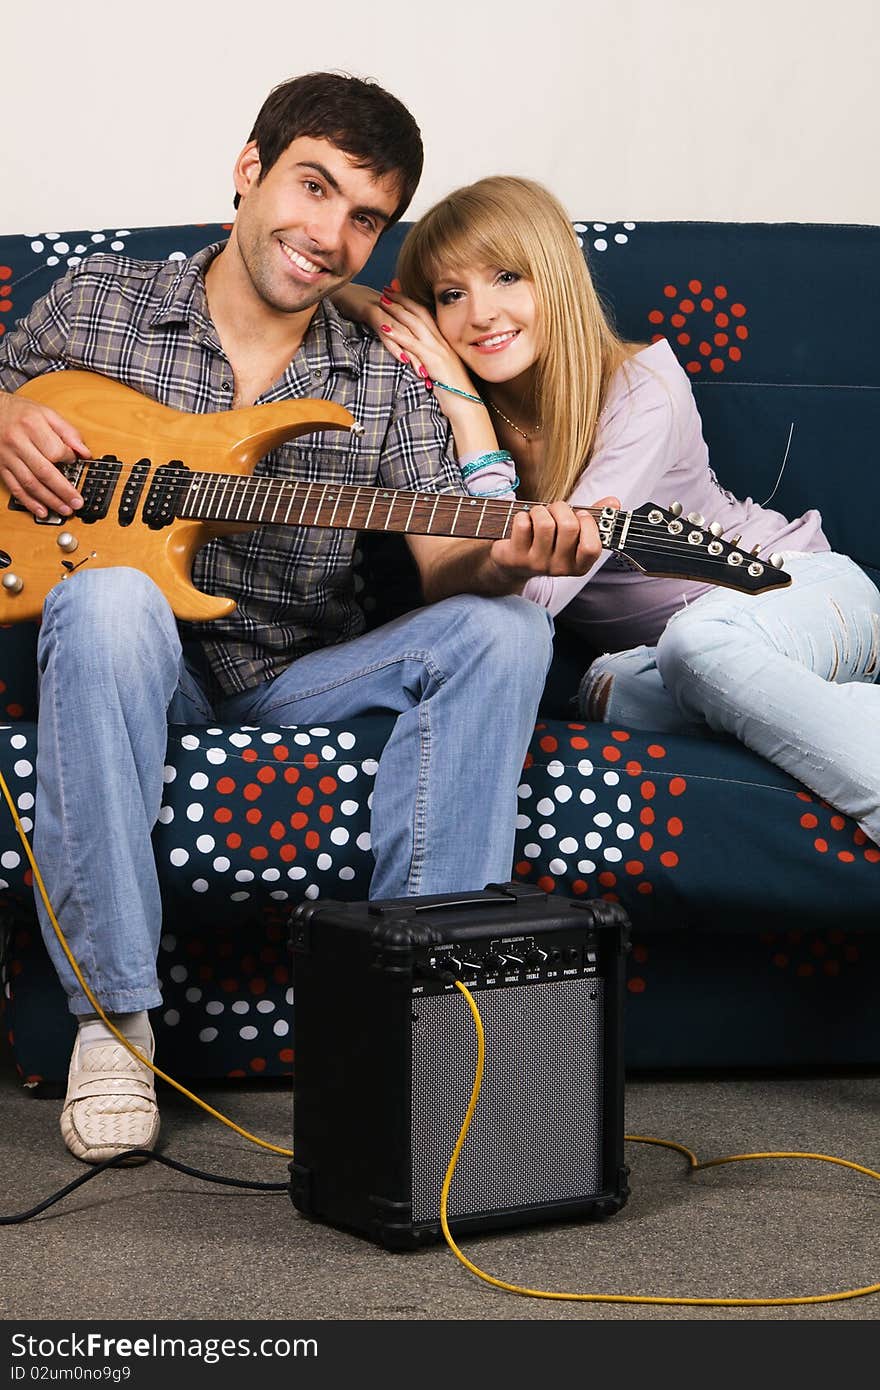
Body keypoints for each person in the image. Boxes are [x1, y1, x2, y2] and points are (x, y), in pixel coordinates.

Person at [0, 86, 610, 1164]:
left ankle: (422, 1005)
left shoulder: (383, 371)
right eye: (313, 186)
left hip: (294, 670)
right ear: (250, 168)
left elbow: (442, 561)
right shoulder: (98, 299)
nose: (329, 236)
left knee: (507, 630)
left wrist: (505, 553)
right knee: (106, 597)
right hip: (139, 658)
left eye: (366, 218)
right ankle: (113, 1024)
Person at [334, 174, 880, 853]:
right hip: (660, 660)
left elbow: (535, 593)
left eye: (507, 277)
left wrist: (469, 418)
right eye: (451, 295)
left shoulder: (646, 385)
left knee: (698, 648)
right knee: (606, 689)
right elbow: (498, 616)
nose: (479, 313)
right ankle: (852, 717)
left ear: (555, 276)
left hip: (801, 590)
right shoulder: (430, 416)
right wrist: (349, 295)